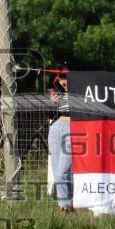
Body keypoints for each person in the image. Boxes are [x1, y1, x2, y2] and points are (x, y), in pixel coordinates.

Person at [47, 64, 74, 213]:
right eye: (62, 78)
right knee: (56, 169)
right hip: (55, 129)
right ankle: (66, 206)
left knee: (62, 172)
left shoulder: (81, 92)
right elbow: (49, 116)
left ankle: (66, 205)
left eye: (67, 77)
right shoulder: (56, 92)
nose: (64, 81)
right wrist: (51, 104)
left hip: (72, 130)